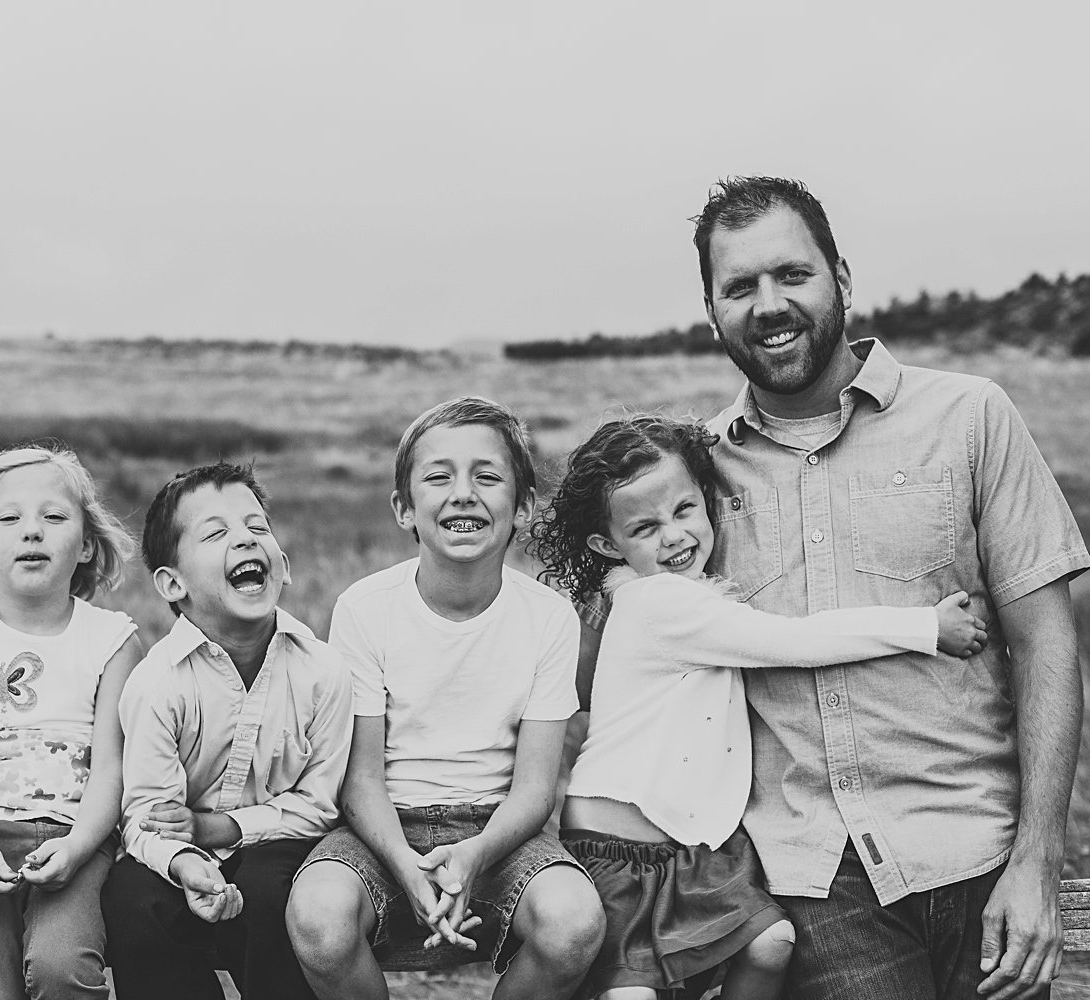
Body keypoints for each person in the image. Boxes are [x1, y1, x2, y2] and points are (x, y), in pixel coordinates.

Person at [687, 175, 1089, 999]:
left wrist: (1038, 864)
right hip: (815, 879)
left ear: (841, 275)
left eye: (791, 275)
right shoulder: (694, 474)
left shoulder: (971, 416)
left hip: (980, 849)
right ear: (712, 308)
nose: (769, 304)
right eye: (740, 287)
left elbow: (1046, 639)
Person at [529, 413, 988, 999]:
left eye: (685, 511)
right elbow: (796, 641)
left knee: (771, 944)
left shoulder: (688, 596)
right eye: (645, 528)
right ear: (607, 544)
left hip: (689, 851)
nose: (674, 536)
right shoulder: (661, 604)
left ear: (706, 503)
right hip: (620, 852)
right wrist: (925, 626)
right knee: (634, 993)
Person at [287, 396, 605, 1000]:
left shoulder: (547, 617)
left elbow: (537, 789)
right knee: (318, 916)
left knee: (573, 924)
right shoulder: (364, 608)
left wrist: (476, 855)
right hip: (382, 828)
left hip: (499, 827)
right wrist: (409, 868)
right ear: (404, 509)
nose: (463, 493)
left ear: (523, 506)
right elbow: (360, 781)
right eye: (438, 478)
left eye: (487, 477)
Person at [101, 461, 353, 1000]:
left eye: (257, 527)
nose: (245, 538)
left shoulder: (323, 672)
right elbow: (146, 817)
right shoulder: (158, 686)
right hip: (180, 854)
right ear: (173, 583)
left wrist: (213, 829)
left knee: (268, 890)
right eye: (216, 533)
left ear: (281, 566)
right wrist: (188, 860)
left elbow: (320, 805)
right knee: (131, 897)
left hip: (279, 846)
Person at [0, 446, 142, 1000]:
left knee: (63, 971)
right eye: (10, 519)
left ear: (86, 544)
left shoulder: (112, 639)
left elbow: (113, 770)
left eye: (55, 517)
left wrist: (79, 846)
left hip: (74, 844)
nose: (32, 532)